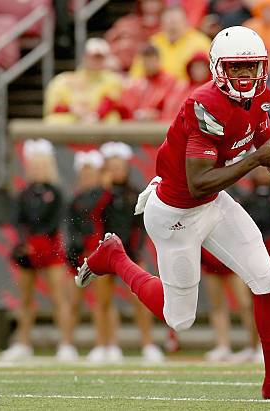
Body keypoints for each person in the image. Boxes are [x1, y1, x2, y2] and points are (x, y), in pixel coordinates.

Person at [75, 26, 270, 401]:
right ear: (217, 69)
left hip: (213, 203)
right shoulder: (203, 104)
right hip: (174, 214)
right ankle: (114, 258)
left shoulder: (258, 98)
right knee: (179, 318)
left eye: (251, 67)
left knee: (269, 279)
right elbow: (199, 182)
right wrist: (259, 159)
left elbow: (261, 140)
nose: (245, 76)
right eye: (236, 68)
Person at [2, 139, 77, 362]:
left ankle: (66, 344)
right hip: (27, 250)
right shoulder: (23, 194)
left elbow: (55, 222)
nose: (36, 169)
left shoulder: (56, 192)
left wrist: (40, 242)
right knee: (25, 299)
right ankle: (23, 343)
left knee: (58, 297)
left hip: (50, 248)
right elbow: (17, 220)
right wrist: (25, 242)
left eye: (40, 164)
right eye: (33, 165)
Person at [99, 142, 165, 363]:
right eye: (112, 168)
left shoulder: (134, 193)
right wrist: (103, 191)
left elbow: (141, 225)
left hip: (129, 255)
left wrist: (133, 253)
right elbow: (91, 216)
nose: (117, 172)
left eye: (120, 167)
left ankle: (148, 344)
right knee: (104, 301)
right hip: (105, 254)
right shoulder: (100, 194)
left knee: (141, 299)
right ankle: (107, 345)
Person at [65, 150, 119, 363]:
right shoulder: (76, 198)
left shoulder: (106, 196)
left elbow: (101, 216)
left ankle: (106, 344)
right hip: (79, 254)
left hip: (99, 253)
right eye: (84, 172)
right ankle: (67, 344)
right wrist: (73, 248)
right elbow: (70, 226)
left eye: (91, 172)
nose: (87, 176)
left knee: (103, 302)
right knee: (74, 301)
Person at [44, 38, 124, 124]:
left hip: (99, 125)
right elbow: (54, 107)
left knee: (112, 118)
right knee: (53, 120)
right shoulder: (64, 79)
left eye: (100, 58)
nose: (96, 61)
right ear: (85, 56)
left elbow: (109, 102)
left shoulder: (113, 79)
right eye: (93, 57)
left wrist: (95, 116)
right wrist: (71, 108)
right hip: (73, 122)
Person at [129, 6, 211, 82]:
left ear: (186, 22)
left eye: (176, 22)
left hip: (188, 91)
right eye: (168, 22)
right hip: (157, 92)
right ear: (161, 24)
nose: (172, 27)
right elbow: (136, 75)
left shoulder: (201, 42)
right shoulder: (154, 43)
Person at [120, 44, 177, 121]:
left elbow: (172, 107)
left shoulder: (169, 81)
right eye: (146, 61)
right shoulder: (139, 83)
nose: (148, 64)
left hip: (161, 125)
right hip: (141, 125)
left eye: (151, 60)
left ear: (158, 60)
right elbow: (128, 107)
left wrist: (155, 114)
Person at [104, 0, 165, 72]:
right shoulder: (127, 22)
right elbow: (108, 41)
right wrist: (110, 57)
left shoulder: (165, 26)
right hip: (121, 70)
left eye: (154, 1)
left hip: (150, 71)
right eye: (147, 1)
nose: (150, 4)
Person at [162, 52, 212, 121]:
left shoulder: (212, 91)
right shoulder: (180, 88)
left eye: (201, 67)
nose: (198, 70)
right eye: (195, 67)